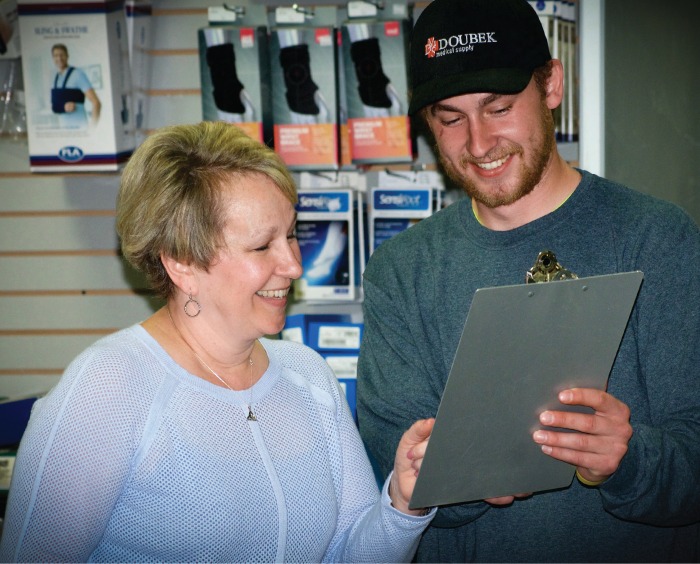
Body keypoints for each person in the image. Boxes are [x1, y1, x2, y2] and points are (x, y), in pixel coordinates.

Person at [356, 0, 700, 562]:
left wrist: (630, 459)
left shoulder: (658, 240)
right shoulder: (402, 271)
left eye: (498, 107)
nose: (479, 143)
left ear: (551, 85)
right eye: (450, 118)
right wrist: (440, 477)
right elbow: (385, 464)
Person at [0, 121, 436, 562]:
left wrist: (402, 504)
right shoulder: (108, 388)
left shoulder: (308, 375)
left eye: (290, 234)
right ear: (182, 264)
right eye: (262, 246)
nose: (293, 265)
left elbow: (348, 554)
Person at [50, 43, 101, 128]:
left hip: (80, 129)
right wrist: (63, 107)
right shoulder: (56, 78)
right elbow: (55, 107)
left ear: (67, 56)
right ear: (53, 58)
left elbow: (96, 103)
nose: (59, 58)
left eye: (62, 55)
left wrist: (93, 129)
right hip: (63, 130)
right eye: (56, 55)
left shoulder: (77, 74)